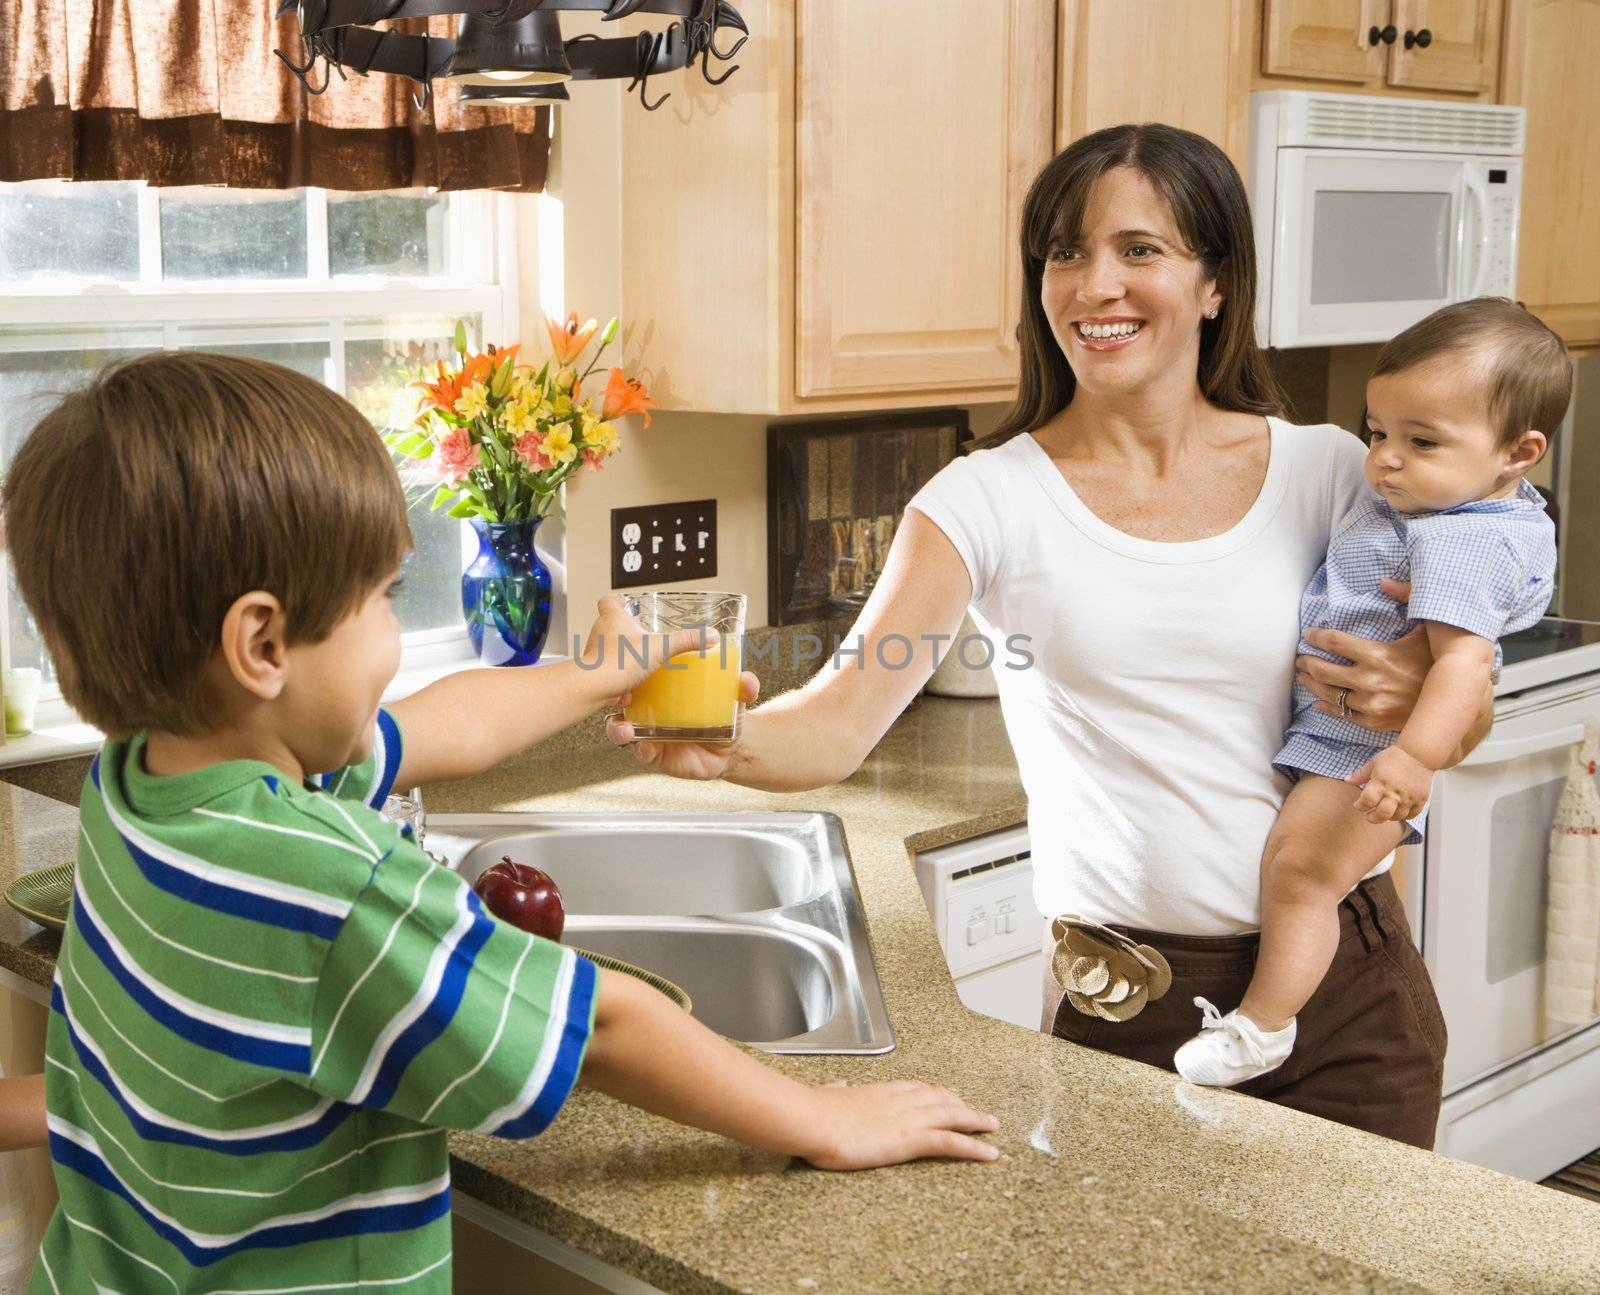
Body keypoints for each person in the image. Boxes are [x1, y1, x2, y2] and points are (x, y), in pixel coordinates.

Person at [0, 351, 999, 1291]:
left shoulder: (139, 784)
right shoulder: (336, 886)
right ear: (263, 643)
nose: (395, 634)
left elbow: (443, 724)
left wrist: (592, 676)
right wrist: (819, 1118)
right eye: (383, 600)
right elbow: (599, 1021)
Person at [611, 123, 1480, 1149]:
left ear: (1215, 283)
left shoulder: (1334, 471)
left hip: (1348, 996)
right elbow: (838, 719)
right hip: (1131, 1005)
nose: (1092, 285)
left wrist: (1412, 701)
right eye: (1064, 254)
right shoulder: (983, 501)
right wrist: (723, 742)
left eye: (1138, 250)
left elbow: (1459, 691)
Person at [1174, 298, 1568, 1087]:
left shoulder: (1462, 538)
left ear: (1518, 452)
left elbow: (1460, 664)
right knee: (1302, 870)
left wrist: (1414, 758)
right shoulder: (1447, 503)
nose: (1385, 459)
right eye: (1378, 430)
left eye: (1421, 441)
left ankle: (1262, 1027)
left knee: (1300, 876)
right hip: (1352, 743)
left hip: (1364, 751)